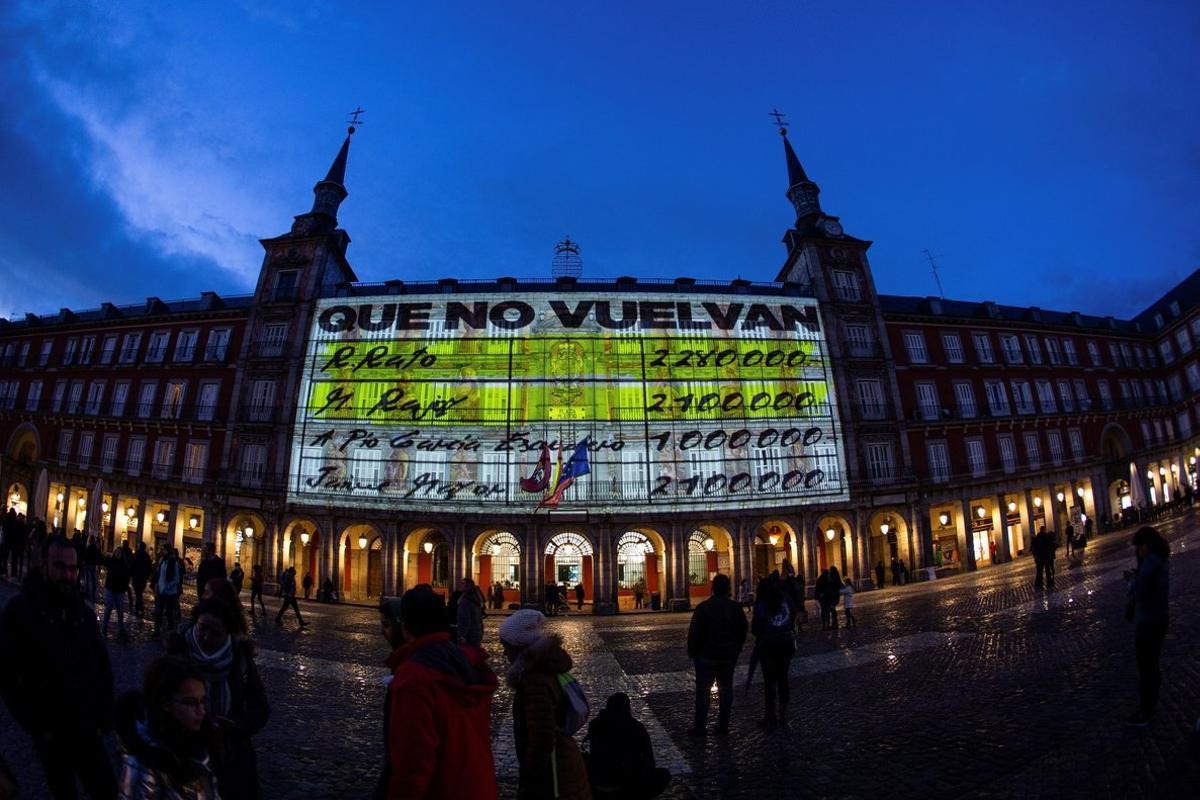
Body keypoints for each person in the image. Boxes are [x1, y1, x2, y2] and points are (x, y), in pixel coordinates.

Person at [0, 535, 117, 799]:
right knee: (64, 792)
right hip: (51, 732)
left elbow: (102, 666)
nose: (68, 574)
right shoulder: (20, 611)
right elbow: (7, 674)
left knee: (107, 791)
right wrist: (36, 723)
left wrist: (105, 716)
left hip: (88, 728)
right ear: (44, 565)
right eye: (60, 567)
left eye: (73, 569)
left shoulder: (83, 614)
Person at [375, 589, 498, 799]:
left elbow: (413, 761)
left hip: (441, 788)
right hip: (478, 785)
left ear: (405, 625)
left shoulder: (414, 677)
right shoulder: (468, 664)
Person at [167, 599, 269, 797]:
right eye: (202, 628)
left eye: (215, 633)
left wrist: (235, 726)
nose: (205, 637)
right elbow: (158, 702)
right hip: (185, 754)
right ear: (195, 621)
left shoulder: (240, 658)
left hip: (229, 757)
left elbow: (260, 707)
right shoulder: (178, 655)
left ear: (228, 635)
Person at [498, 609, 591, 800]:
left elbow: (542, 738)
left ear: (519, 646)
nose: (504, 652)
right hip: (563, 764)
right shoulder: (547, 665)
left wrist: (530, 776)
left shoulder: (534, 679)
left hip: (555, 774)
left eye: (506, 646)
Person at [115, 656, 220, 799]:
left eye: (203, 701)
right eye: (191, 703)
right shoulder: (142, 766)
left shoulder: (202, 739)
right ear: (165, 704)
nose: (201, 711)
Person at [686, 574, 748, 736]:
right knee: (726, 691)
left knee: (703, 692)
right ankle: (723, 725)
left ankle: (700, 727)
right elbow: (743, 630)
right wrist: (737, 649)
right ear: (728, 589)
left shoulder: (704, 607)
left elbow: (694, 633)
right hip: (728, 656)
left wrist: (693, 652)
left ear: (712, 588)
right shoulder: (735, 608)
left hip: (706, 656)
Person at [584, 692, 671, 800]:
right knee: (663, 775)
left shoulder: (595, 725)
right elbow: (650, 760)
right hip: (627, 783)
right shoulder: (636, 727)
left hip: (600, 781)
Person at [1124, 526, 1170, 727]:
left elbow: (1141, 593)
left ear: (1146, 545)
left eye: (1139, 547)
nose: (1138, 551)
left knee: (1147, 666)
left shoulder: (1150, 563)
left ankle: (1146, 710)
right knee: (1151, 665)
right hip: (1159, 617)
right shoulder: (1160, 559)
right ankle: (1150, 705)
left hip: (1149, 620)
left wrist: (1132, 583)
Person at [751, 577, 796, 728]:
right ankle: (783, 716)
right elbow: (793, 619)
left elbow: (755, 629)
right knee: (783, 679)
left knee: (769, 682)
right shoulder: (787, 601)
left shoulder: (761, 606)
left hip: (768, 648)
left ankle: (770, 716)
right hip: (786, 645)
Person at [103, 546, 132, 636]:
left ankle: (121, 628)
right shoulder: (111, 561)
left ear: (122, 555)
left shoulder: (124, 565)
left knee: (120, 609)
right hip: (110, 588)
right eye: (116, 552)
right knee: (109, 607)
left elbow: (127, 577)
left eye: (119, 553)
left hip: (119, 590)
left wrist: (124, 587)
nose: (117, 554)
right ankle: (104, 626)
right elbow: (102, 560)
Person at [155, 547, 183, 635]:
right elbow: (160, 575)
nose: (163, 551)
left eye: (165, 550)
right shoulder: (162, 561)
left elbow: (177, 579)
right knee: (159, 611)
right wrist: (158, 586)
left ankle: (170, 629)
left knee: (169, 612)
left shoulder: (174, 563)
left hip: (170, 593)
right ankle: (157, 630)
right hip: (161, 591)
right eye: (163, 550)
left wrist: (167, 586)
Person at [456, 577, 485, 647]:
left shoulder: (466, 600)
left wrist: (462, 635)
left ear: (467, 586)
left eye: (462, 583)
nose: (460, 585)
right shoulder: (475, 598)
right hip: (477, 632)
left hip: (469, 635)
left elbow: (465, 619)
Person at [131, 541, 153, 617]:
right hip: (143, 578)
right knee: (139, 593)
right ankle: (138, 608)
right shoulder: (147, 556)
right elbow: (150, 568)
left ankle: (140, 608)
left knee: (138, 593)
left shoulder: (136, 554)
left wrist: (131, 574)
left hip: (136, 576)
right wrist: (147, 575)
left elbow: (132, 565)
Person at [821, 566, 844, 631]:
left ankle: (835, 623)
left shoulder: (832, 578)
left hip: (832, 596)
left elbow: (830, 587)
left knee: (832, 609)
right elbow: (840, 585)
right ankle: (834, 623)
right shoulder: (837, 577)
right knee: (833, 609)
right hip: (835, 596)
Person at [82, 533, 102, 604]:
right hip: (93, 564)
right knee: (93, 579)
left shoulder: (89, 547)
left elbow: (86, 555)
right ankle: (93, 593)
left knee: (87, 578)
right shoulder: (95, 548)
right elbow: (97, 556)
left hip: (88, 564)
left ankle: (87, 592)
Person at [1032, 526, 1051, 590]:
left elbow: (1034, 547)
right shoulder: (1046, 536)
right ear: (1044, 530)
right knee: (1047, 569)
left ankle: (1038, 582)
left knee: (1039, 570)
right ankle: (1049, 581)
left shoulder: (1037, 537)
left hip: (1039, 556)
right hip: (1045, 555)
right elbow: (1048, 545)